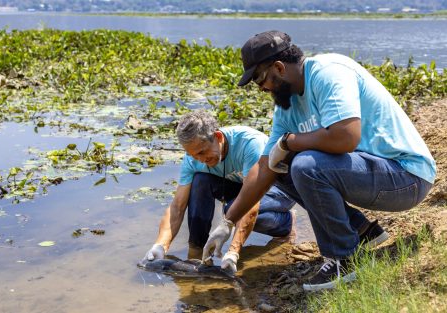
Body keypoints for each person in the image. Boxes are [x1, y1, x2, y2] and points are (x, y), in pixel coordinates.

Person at [201, 30, 436, 291]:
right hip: (371, 174)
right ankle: (360, 231)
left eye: (259, 80)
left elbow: (346, 137)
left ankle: (344, 258)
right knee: (283, 165)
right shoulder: (286, 106)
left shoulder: (328, 73)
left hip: (406, 177)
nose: (262, 89)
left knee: (304, 164)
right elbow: (266, 166)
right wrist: (228, 221)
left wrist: (290, 142)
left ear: (278, 68)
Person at [144, 110, 296, 273]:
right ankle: (196, 249)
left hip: (278, 188)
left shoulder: (249, 144)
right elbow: (177, 207)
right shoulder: (193, 158)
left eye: (203, 152)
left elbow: (251, 203)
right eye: (194, 155)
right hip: (242, 186)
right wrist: (160, 245)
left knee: (232, 210)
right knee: (200, 181)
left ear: (218, 137)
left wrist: (233, 252)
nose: (201, 159)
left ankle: (286, 223)